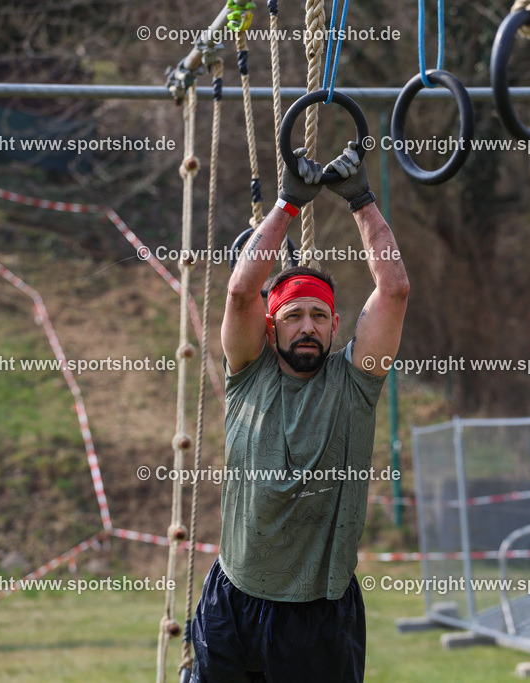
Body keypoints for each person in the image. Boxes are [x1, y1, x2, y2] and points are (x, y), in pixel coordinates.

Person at [189, 141, 409, 683]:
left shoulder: (355, 383)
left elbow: (395, 289)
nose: (307, 326)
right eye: (292, 315)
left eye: (319, 315)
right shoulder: (247, 373)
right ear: (272, 327)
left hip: (318, 618)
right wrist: (288, 203)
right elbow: (241, 292)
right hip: (233, 602)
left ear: (337, 328)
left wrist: (360, 199)